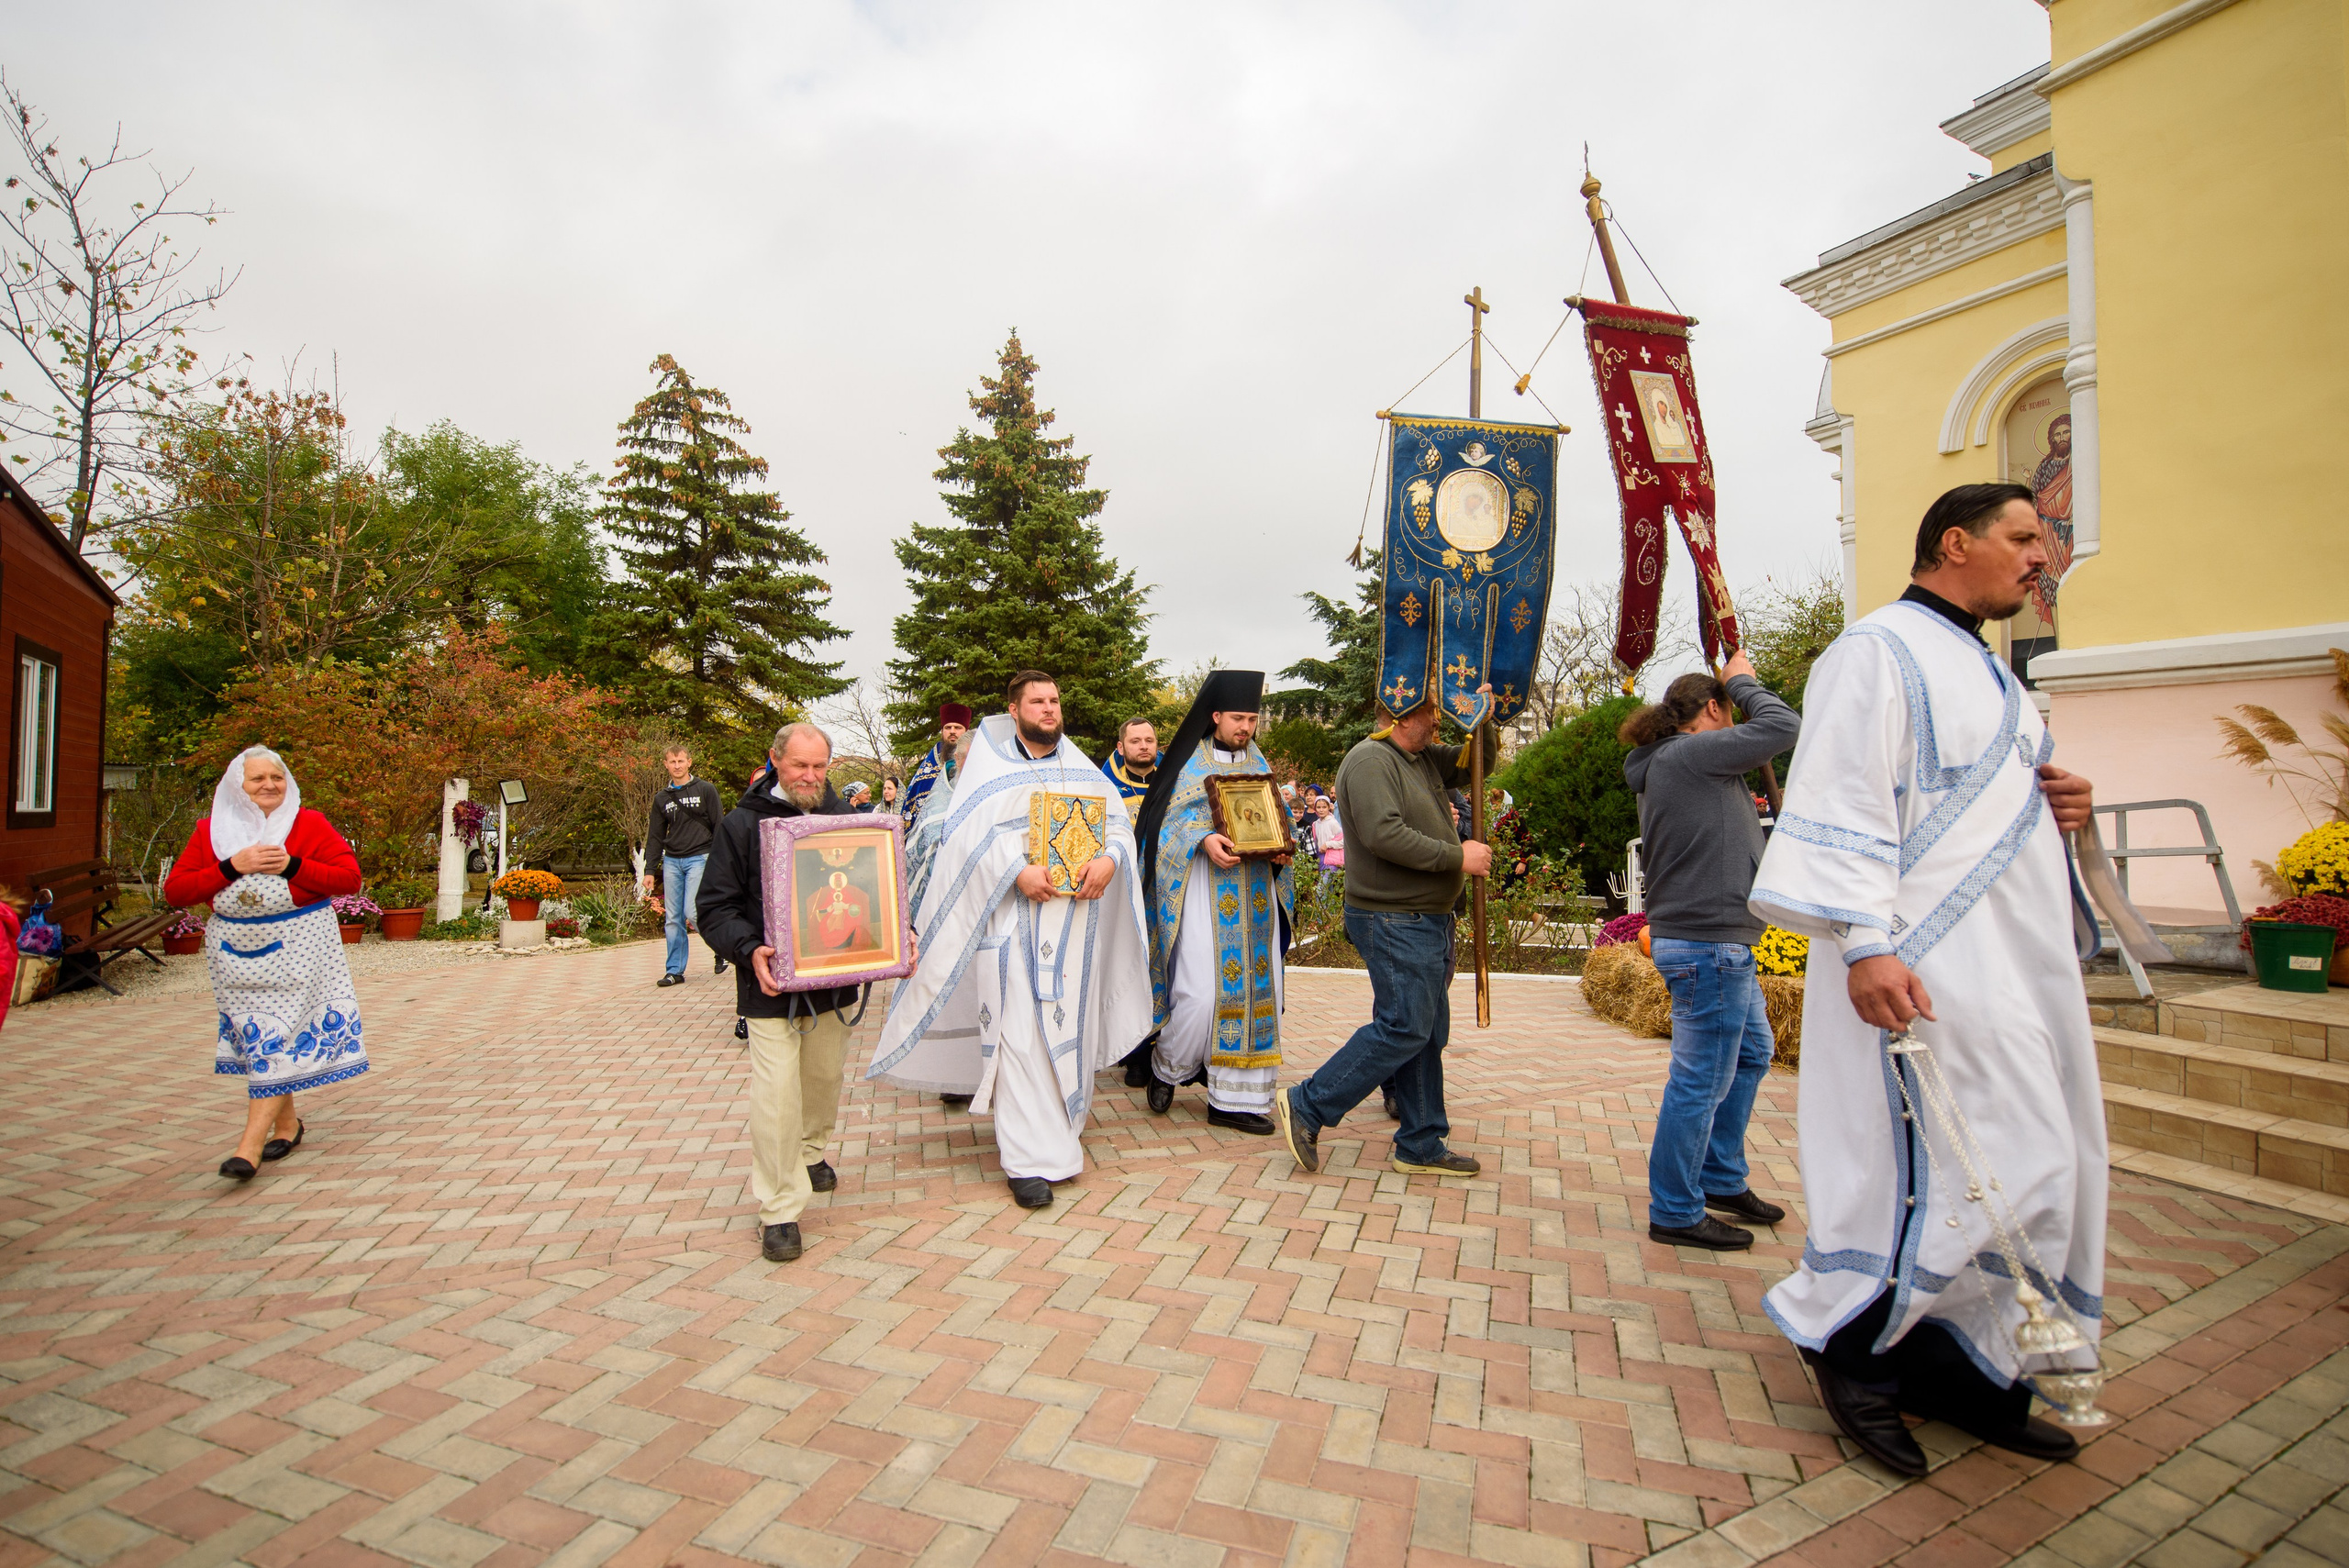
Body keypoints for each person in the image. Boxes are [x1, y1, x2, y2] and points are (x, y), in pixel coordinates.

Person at [1751, 481, 2104, 1476]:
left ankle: (1967, 1365)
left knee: (2036, 1159)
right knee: (1934, 1165)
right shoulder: (1877, 650)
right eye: (2024, 535)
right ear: (1956, 541)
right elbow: (1843, 798)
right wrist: (1864, 940)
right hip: (1923, 965)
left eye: (2045, 538)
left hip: (2013, 966)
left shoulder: (1992, 673)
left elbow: (1980, 813)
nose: (2043, 554)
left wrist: (2060, 804)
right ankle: (1856, 1356)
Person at [871, 671, 1152, 1208]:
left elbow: (1116, 826)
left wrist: (1112, 859)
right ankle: (1025, 1161)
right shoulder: (988, 770)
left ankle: (1060, 1141)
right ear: (1014, 708)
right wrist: (1015, 870)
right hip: (1011, 925)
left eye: (1054, 700)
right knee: (1019, 1036)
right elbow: (963, 842)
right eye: (1038, 702)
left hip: (1075, 929)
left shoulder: (1081, 767)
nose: (1049, 709)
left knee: (1069, 1029)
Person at [1620, 651, 1802, 1252]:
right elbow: (1782, 726)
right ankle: (1674, 1206)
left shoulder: (1684, 760)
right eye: (1731, 705)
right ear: (1714, 709)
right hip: (1707, 944)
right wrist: (1746, 677)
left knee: (1751, 1052)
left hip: (1719, 941)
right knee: (1700, 1078)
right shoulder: (1691, 753)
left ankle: (1720, 1176)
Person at [1272, 690, 1494, 1179]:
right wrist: (1459, 856)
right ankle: (1309, 1104)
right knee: (1405, 1027)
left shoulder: (1420, 757)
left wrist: (1485, 719)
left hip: (1423, 916)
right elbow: (1383, 835)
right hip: (1393, 917)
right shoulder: (1371, 760)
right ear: (1401, 714)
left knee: (1426, 1032)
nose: (1438, 720)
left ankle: (1420, 1141)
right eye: (1431, 711)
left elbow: (1476, 764)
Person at [696, 721, 863, 1263]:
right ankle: (779, 1209)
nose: (811, 777)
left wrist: (895, 931)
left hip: (833, 984)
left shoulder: (848, 822)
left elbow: (877, 891)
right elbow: (714, 908)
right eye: (800, 766)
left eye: (820, 767)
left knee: (822, 1080)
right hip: (768, 986)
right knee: (775, 1096)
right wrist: (749, 950)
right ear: (775, 760)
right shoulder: (740, 825)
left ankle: (811, 1151)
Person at [163, 746, 368, 1180]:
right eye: (257, 779)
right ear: (237, 785)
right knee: (264, 1038)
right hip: (234, 956)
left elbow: (349, 879)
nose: (269, 786)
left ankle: (248, 1147)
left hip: (300, 946)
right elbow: (177, 892)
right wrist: (229, 866)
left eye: (277, 777)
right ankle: (288, 1124)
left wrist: (294, 866)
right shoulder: (210, 831)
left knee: (277, 1035)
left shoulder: (308, 823)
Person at [1132, 671, 1293, 1134]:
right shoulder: (1188, 766)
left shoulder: (1261, 766)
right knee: (1201, 997)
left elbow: (1275, 825)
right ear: (1216, 716)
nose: (1245, 727)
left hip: (1256, 897)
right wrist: (1202, 839)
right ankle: (1168, 1066)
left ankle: (1233, 1101)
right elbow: (1163, 830)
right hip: (1204, 893)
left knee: (1259, 996)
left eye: (1252, 718)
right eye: (1238, 718)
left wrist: (1283, 849)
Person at [642, 745, 727, 987]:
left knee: (692, 911)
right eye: (672, 762)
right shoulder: (661, 798)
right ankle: (674, 970)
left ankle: (720, 945)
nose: (677, 765)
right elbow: (655, 836)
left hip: (700, 857)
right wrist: (650, 870)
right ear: (666, 765)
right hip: (672, 861)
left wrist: (719, 860)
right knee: (673, 918)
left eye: (681, 761)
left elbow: (718, 825)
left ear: (689, 762)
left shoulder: (706, 790)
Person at [902, 702, 974, 828]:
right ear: (942, 731)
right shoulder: (928, 768)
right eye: (948, 727)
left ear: (966, 731)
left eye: (957, 728)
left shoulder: (975, 759)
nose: (952, 731)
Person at [1102, 717, 1159, 804]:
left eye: (1149, 740)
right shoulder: (1106, 789)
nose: (1144, 746)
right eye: (1135, 741)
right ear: (1121, 748)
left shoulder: (1174, 784)